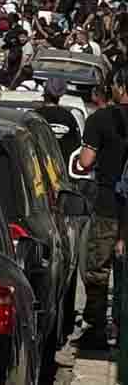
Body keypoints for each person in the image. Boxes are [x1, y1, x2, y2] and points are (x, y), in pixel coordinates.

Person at [75, 69, 128, 348]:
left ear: (119, 87)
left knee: (99, 269)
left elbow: (85, 161)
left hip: (108, 205)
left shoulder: (101, 120)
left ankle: (95, 329)